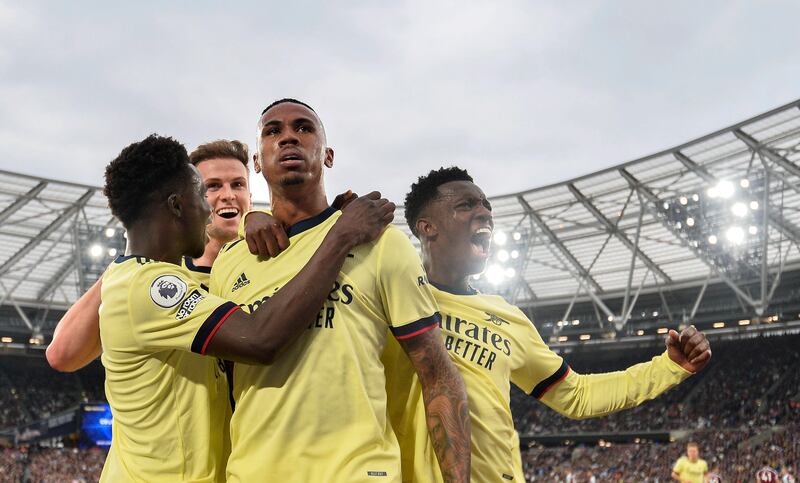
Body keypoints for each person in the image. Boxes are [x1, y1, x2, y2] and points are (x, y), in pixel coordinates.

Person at [95, 134, 393, 481]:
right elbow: (259, 338)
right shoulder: (146, 287)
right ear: (176, 206)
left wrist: (308, 223)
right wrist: (339, 235)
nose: (208, 209)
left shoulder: (163, 280)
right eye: (200, 195)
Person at [386, 167, 712, 482]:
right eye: (466, 205)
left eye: (487, 206)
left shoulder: (507, 318)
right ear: (427, 227)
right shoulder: (388, 295)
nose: (485, 213)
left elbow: (578, 395)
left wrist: (669, 367)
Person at [214, 98, 470, 482]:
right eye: (273, 131)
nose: (288, 139)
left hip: (358, 472)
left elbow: (437, 374)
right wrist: (253, 216)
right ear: (256, 162)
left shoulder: (382, 243)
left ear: (328, 155)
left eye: (304, 129)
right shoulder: (231, 261)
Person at [46, 139, 270, 371]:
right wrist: (127, 266)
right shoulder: (158, 279)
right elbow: (63, 354)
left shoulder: (272, 257)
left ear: (251, 198)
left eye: (238, 185)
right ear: (186, 198)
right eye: (211, 187)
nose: (228, 195)